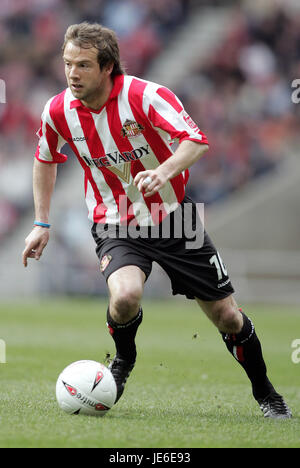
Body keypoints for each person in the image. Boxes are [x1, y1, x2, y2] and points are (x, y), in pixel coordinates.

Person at [22, 22, 291, 419]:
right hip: (115, 223)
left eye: (83, 65)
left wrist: (164, 172)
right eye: (67, 64)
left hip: (174, 220)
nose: (72, 74)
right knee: (125, 296)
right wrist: (41, 222)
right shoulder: (58, 110)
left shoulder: (146, 96)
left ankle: (266, 392)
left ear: (108, 66)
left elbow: (195, 140)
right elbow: (45, 158)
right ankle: (124, 361)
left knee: (227, 317)